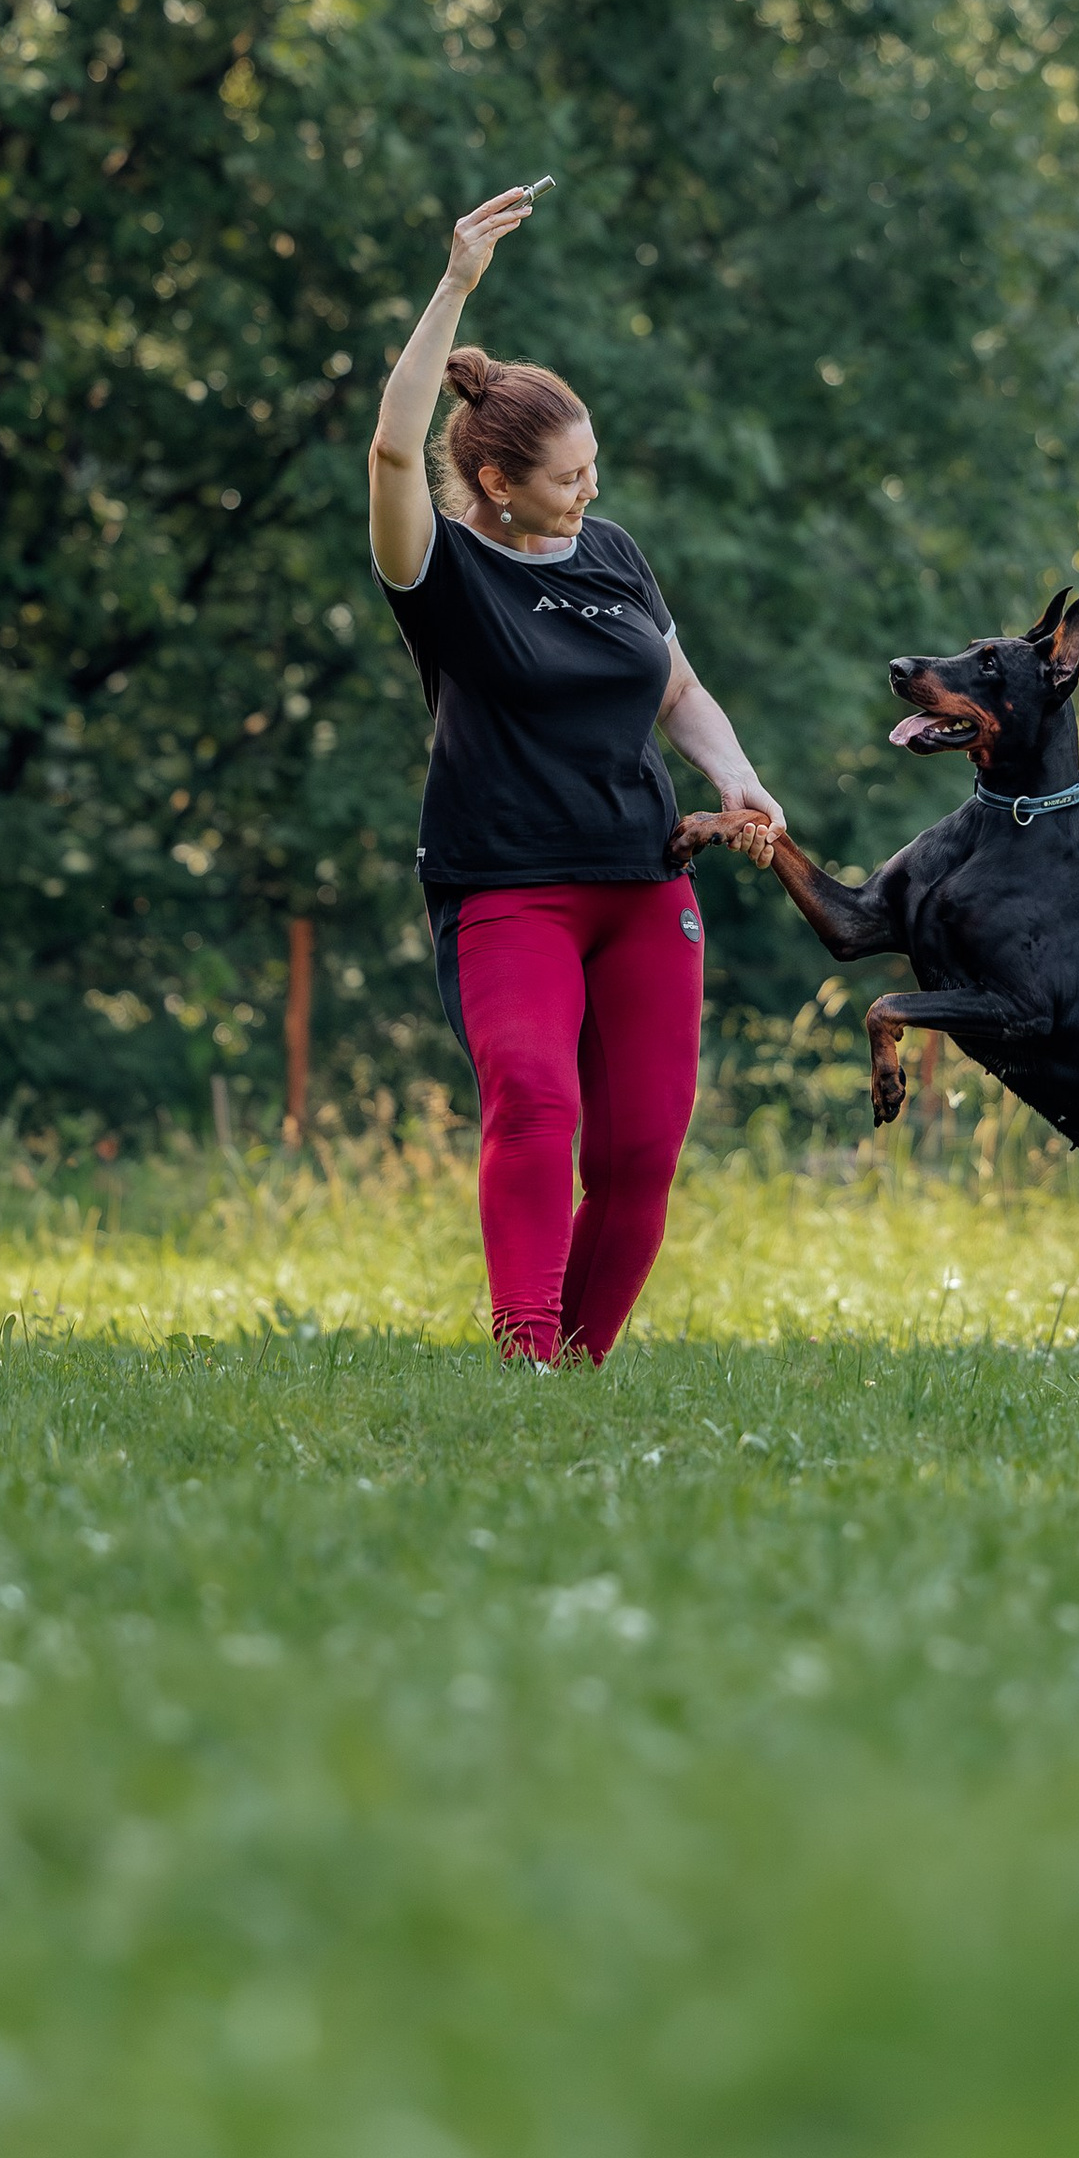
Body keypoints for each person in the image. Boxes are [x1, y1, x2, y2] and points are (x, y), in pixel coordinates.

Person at [367, 182, 783, 1363]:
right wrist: (453, 285)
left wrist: (738, 778)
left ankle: (571, 1375)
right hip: (507, 889)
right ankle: (525, 1353)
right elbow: (394, 448)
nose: (588, 491)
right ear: (497, 484)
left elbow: (677, 691)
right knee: (537, 1105)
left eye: (594, 466)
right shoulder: (440, 571)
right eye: (564, 477)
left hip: (643, 883)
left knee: (643, 1149)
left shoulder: (613, 555)